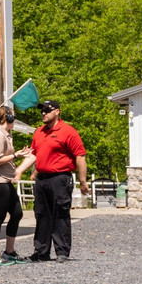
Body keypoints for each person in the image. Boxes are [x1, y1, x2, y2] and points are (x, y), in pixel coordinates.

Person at [14, 99, 88, 262]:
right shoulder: (39, 132)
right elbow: (34, 154)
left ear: (57, 112)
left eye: (47, 110)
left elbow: (80, 155)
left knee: (60, 214)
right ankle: (41, 252)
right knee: (41, 214)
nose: (43, 113)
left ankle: (62, 252)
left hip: (60, 178)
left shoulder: (68, 131)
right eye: (42, 110)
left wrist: (83, 181)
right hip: (42, 179)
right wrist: (19, 170)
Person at [0, 106, 31, 266]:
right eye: (13, 118)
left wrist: (18, 155)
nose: (14, 121)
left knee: (17, 213)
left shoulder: (5, 135)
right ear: (8, 119)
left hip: (5, 180)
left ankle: (9, 252)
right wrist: (16, 155)